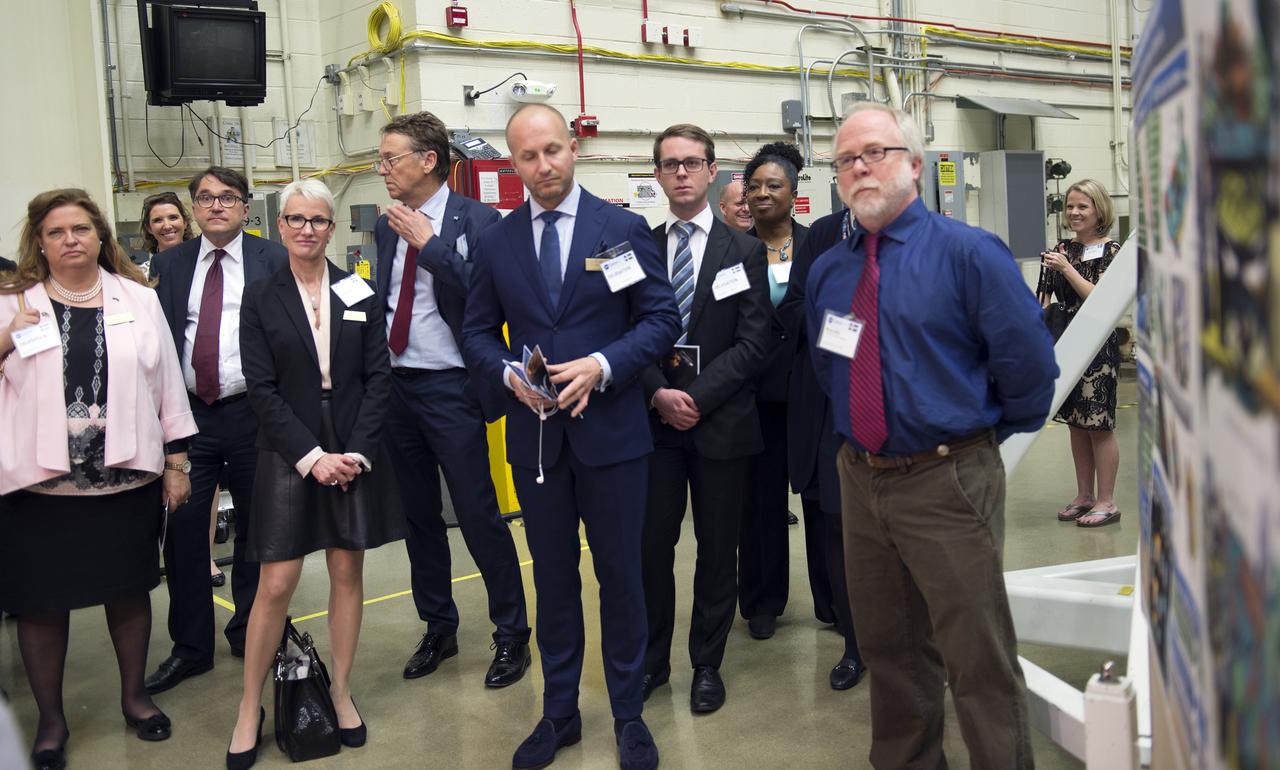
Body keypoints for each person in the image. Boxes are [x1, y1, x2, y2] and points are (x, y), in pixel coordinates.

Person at [805, 103, 1057, 769]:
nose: (860, 167)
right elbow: (825, 366)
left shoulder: (969, 254)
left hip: (948, 477)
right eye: (846, 159)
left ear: (914, 165)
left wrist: (969, 438)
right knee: (889, 650)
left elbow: (1030, 372)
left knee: (977, 657)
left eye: (876, 152)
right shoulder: (830, 272)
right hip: (861, 477)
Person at [462, 103, 679, 770]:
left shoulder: (620, 228)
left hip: (614, 438)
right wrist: (505, 375)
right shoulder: (497, 243)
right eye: (528, 156)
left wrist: (604, 364)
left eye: (552, 149)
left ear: (573, 147)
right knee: (553, 580)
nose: (544, 165)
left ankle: (628, 714)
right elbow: (474, 331)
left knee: (621, 578)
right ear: (513, 161)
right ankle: (559, 712)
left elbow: (661, 317)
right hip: (537, 442)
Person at [0, 188, 197, 770]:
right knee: (40, 605)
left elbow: (166, 384)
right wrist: (9, 333)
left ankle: (135, 699)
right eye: (57, 232)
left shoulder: (137, 297)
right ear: (39, 241)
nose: (70, 241)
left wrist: (177, 462)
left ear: (100, 236)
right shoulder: (14, 299)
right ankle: (52, 723)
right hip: (41, 487)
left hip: (123, 480)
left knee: (128, 591)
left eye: (81, 229)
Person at [225, 178, 403, 768]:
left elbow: (379, 379)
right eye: (296, 219)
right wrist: (311, 457)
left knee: (347, 570)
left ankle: (342, 692)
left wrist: (354, 451)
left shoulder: (359, 290)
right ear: (279, 226)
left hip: (351, 447)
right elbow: (262, 388)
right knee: (275, 584)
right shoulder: (261, 295)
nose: (306, 229)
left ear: (332, 229)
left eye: (318, 221)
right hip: (288, 447)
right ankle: (251, 705)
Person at [373, 111, 531, 686]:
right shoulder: (390, 221)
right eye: (382, 159)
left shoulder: (482, 221)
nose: (382, 169)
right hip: (397, 387)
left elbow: (491, 295)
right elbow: (386, 300)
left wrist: (432, 245)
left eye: (391, 158)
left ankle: (512, 633)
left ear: (429, 160)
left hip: (452, 388)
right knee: (418, 517)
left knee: (478, 513)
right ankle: (438, 626)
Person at [639, 124, 771, 714]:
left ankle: (706, 664)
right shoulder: (638, 247)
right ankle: (652, 662)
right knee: (651, 549)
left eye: (692, 163)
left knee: (719, 550)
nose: (682, 173)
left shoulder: (744, 250)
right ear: (659, 174)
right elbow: (624, 334)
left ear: (712, 170)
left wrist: (697, 397)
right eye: (670, 164)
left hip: (720, 423)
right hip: (652, 427)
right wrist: (659, 394)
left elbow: (755, 340)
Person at [147, 166, 287, 694]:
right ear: (193, 210)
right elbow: (159, 344)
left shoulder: (272, 259)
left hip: (256, 413)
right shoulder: (169, 264)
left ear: (245, 207)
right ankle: (190, 648)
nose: (216, 206)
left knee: (259, 530)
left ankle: (250, 630)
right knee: (183, 532)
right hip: (190, 417)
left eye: (227, 197)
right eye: (205, 198)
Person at [776, 206, 866, 690]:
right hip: (830, 398)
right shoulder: (824, 234)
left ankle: (909, 640)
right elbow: (793, 302)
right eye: (848, 161)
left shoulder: (928, 235)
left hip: (897, 406)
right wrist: (837, 327)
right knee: (835, 522)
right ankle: (854, 645)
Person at [737, 141, 808, 640]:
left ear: (793, 192)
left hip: (809, 391)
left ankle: (833, 602)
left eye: (773, 185)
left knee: (824, 504)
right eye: (754, 186)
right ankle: (762, 602)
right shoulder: (732, 251)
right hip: (753, 395)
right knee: (759, 504)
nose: (762, 194)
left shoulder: (818, 246)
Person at [1040, 179, 1123, 528]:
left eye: (1082, 207)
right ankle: (1083, 495)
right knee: (1076, 424)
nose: (1074, 213)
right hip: (1066, 342)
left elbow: (1102, 299)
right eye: (1070, 206)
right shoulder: (1061, 248)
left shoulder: (1112, 251)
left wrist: (1066, 269)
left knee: (1098, 425)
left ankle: (1107, 501)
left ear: (1099, 211)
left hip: (1098, 346)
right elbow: (1042, 300)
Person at [139, 191, 194, 277]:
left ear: (185, 222)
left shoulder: (203, 266)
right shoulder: (141, 276)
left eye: (173, 218)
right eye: (158, 220)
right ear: (149, 228)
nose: (167, 226)